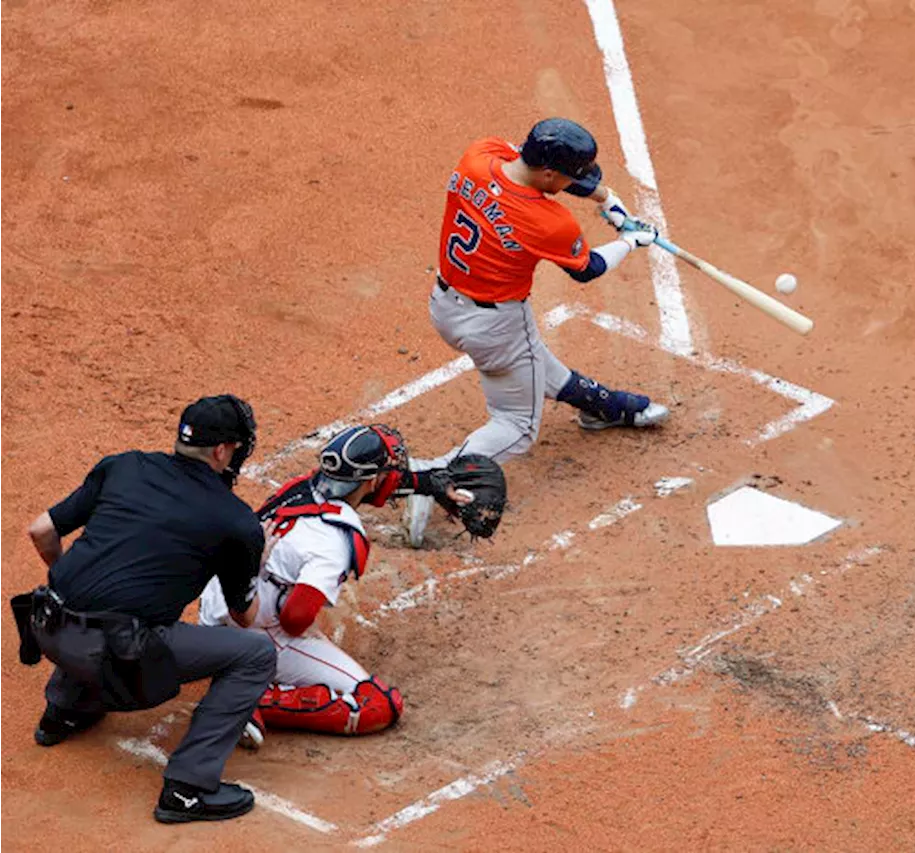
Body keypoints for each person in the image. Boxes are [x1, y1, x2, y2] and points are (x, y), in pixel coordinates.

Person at [407, 117, 667, 546]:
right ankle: (433, 479)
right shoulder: (548, 223)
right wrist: (631, 239)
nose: (571, 184)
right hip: (496, 327)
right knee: (517, 424)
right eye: (569, 177)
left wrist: (607, 198)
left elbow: (534, 169)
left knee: (532, 366)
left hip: (445, 305)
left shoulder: (480, 154)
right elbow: (588, 269)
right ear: (550, 174)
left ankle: (604, 407)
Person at [21, 395, 276, 824]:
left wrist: (73, 582)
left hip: (48, 625)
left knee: (105, 600)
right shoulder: (235, 521)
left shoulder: (123, 465)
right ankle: (187, 790)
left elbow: (41, 530)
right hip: (120, 652)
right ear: (221, 451)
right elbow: (244, 616)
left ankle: (63, 713)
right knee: (255, 654)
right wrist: (258, 555)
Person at [198, 424, 504, 744]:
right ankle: (242, 702)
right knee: (377, 704)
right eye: (389, 470)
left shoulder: (299, 486)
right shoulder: (336, 540)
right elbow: (294, 620)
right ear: (371, 480)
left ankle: (235, 673)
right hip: (252, 634)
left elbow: (371, 486)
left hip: (217, 603)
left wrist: (428, 485)